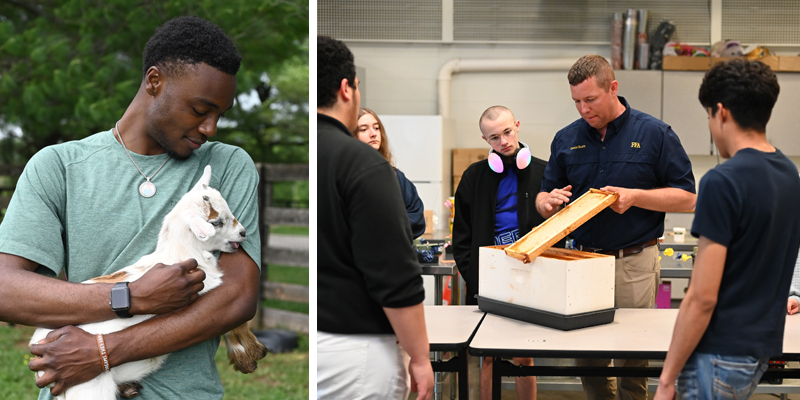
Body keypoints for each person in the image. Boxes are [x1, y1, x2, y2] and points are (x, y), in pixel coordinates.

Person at [0, 16, 262, 400]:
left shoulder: (227, 167)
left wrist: (104, 352)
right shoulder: (58, 166)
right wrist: (129, 296)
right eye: (200, 109)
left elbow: (237, 297)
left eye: (219, 114)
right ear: (155, 82)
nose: (210, 128)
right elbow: (7, 288)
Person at [536, 54, 696, 400]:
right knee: (587, 354)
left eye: (590, 99)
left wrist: (636, 197)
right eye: (576, 101)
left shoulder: (656, 135)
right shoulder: (566, 140)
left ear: (613, 89)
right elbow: (545, 195)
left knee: (632, 355)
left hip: (634, 262)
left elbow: (688, 198)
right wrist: (544, 202)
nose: (583, 109)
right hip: (581, 263)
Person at [655, 59, 800, 400]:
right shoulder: (789, 175)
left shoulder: (723, 180)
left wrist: (666, 378)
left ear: (720, 112)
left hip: (717, 353)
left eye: (708, 116)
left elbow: (702, 297)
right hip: (758, 352)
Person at [317, 35, 433, 400]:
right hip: (355, 359)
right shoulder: (363, 165)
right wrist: (419, 356)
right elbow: (395, 277)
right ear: (346, 89)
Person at [453, 105, 546, 400]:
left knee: (524, 355)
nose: (503, 141)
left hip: (531, 277)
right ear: (485, 140)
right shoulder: (473, 177)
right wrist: (475, 278)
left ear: (517, 126)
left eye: (507, 132)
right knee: (488, 354)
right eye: (494, 137)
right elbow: (462, 237)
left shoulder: (544, 172)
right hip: (488, 280)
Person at [353, 108, 426, 238]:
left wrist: (384, 225)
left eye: (376, 128)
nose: (373, 134)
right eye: (364, 129)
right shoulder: (349, 178)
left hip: (395, 254)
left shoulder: (397, 177)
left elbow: (417, 217)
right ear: (352, 135)